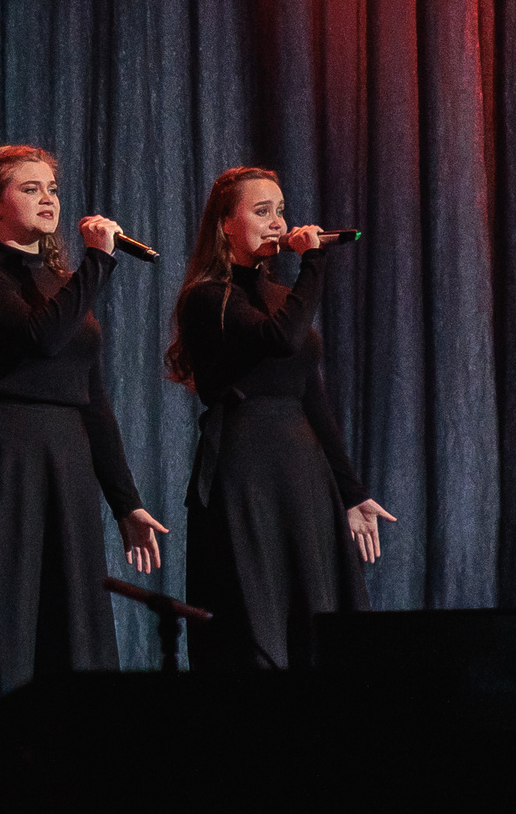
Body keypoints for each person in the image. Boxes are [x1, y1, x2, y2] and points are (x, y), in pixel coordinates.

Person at [0, 145, 170, 744]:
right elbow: (39, 338)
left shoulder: (61, 283)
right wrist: (98, 265)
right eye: (30, 189)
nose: (48, 198)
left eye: (52, 188)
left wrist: (124, 502)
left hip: (66, 456)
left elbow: (92, 397)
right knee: (12, 614)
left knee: (73, 615)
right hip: (4, 453)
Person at [165, 167, 396, 669]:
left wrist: (351, 491)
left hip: (301, 467)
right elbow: (281, 339)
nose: (277, 222)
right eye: (262, 211)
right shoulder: (209, 297)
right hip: (247, 468)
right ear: (226, 224)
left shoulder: (278, 298)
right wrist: (313, 262)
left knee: (315, 612)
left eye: (281, 211)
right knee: (256, 612)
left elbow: (311, 396)